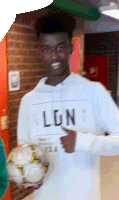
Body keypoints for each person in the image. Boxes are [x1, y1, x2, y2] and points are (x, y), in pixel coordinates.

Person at [17, 11, 119, 200]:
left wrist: (83, 142)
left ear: (71, 48)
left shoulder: (93, 92)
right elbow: (24, 151)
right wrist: (28, 177)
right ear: (39, 51)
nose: (54, 56)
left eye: (60, 47)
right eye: (46, 49)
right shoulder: (29, 102)